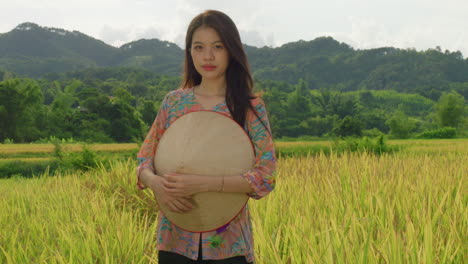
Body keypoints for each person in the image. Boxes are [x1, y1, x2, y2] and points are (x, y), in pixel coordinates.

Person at [136, 10, 276, 264]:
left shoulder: (248, 107)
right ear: (189, 52)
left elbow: (265, 177)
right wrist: (156, 185)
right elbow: (144, 161)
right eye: (199, 47)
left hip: (228, 245)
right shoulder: (174, 103)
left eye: (218, 47)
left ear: (231, 50)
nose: (207, 56)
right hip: (174, 241)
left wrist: (202, 183)